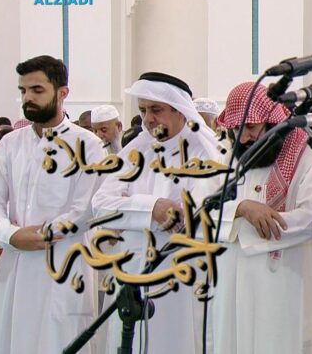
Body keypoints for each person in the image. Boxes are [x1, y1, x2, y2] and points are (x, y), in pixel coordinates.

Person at [91, 72, 224, 354]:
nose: (148, 118)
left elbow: (190, 218)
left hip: (180, 279)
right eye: (143, 111)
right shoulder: (137, 149)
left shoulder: (206, 153)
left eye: (156, 109)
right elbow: (101, 204)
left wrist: (128, 210)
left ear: (179, 110)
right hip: (131, 270)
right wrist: (152, 208)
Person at [208, 82, 312, 353]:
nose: (243, 138)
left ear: (273, 122)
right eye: (237, 129)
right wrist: (242, 209)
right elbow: (201, 208)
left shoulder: (310, 157)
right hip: (232, 288)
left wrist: (246, 230)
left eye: (251, 128)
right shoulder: (226, 159)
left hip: (288, 286)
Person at [0, 55, 105, 353]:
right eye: (23, 91)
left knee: (60, 342)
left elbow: (85, 209)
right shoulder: (10, 145)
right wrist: (10, 234)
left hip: (64, 267)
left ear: (62, 92)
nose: (27, 98)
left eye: (37, 90)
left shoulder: (88, 145)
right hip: (14, 264)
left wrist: (42, 235)